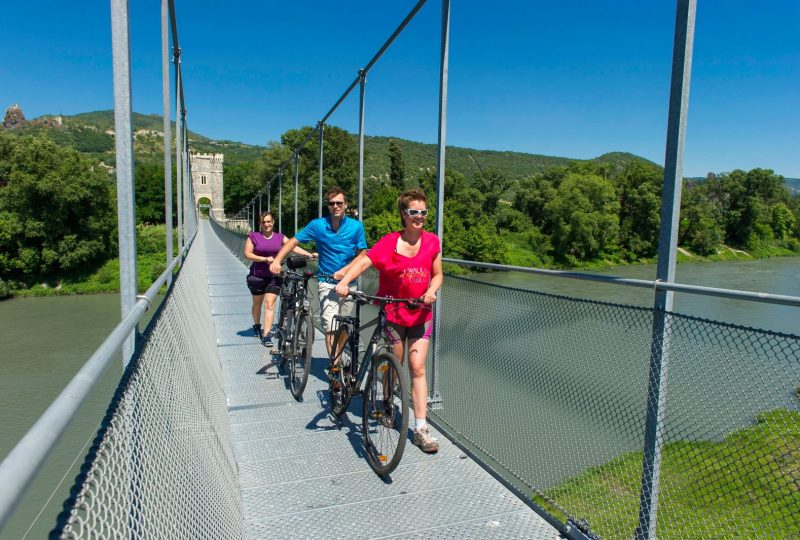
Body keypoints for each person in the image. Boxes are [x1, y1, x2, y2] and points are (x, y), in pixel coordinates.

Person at [334, 188, 443, 453]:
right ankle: (386, 402)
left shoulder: (432, 242)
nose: (419, 216)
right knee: (396, 365)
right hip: (393, 313)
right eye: (413, 212)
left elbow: (438, 274)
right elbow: (364, 262)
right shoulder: (389, 242)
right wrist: (346, 281)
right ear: (403, 215)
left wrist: (431, 290)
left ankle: (421, 429)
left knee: (417, 367)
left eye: (423, 212)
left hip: (419, 314)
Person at [270, 187, 368, 355]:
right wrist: (277, 260)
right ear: (328, 206)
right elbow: (293, 241)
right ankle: (335, 369)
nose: (335, 206)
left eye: (339, 203)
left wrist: (345, 271)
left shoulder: (356, 227)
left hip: (349, 284)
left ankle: (340, 356)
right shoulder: (318, 225)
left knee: (344, 327)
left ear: (346, 205)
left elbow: (363, 255)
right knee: (330, 326)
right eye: (332, 203)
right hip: (327, 282)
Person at [245, 211, 314, 343]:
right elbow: (247, 254)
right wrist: (264, 259)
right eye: (264, 222)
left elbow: (292, 247)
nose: (266, 224)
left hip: (274, 276)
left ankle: (266, 335)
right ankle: (257, 325)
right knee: (257, 304)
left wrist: (309, 255)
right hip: (257, 276)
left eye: (269, 221)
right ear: (260, 223)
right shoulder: (253, 236)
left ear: (273, 222)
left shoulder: (279, 237)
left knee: (269, 304)